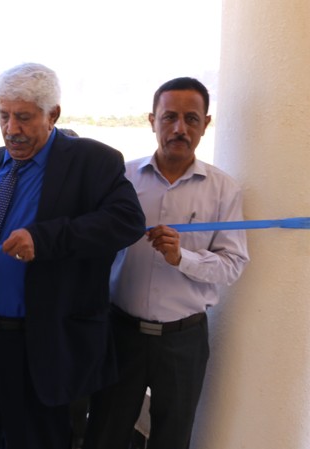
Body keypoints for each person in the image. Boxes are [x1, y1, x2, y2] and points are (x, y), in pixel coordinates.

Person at [0, 62, 146, 449]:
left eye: (24, 118)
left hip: (41, 347)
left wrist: (44, 239)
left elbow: (127, 222)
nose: (11, 129)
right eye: (4, 116)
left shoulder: (92, 161)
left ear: (53, 115)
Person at [83, 77, 250, 449]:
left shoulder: (224, 189)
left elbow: (232, 265)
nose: (179, 128)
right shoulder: (121, 179)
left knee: (173, 438)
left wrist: (181, 257)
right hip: (120, 333)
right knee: (105, 433)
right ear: (152, 120)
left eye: (191, 119)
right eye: (169, 117)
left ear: (206, 124)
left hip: (183, 340)